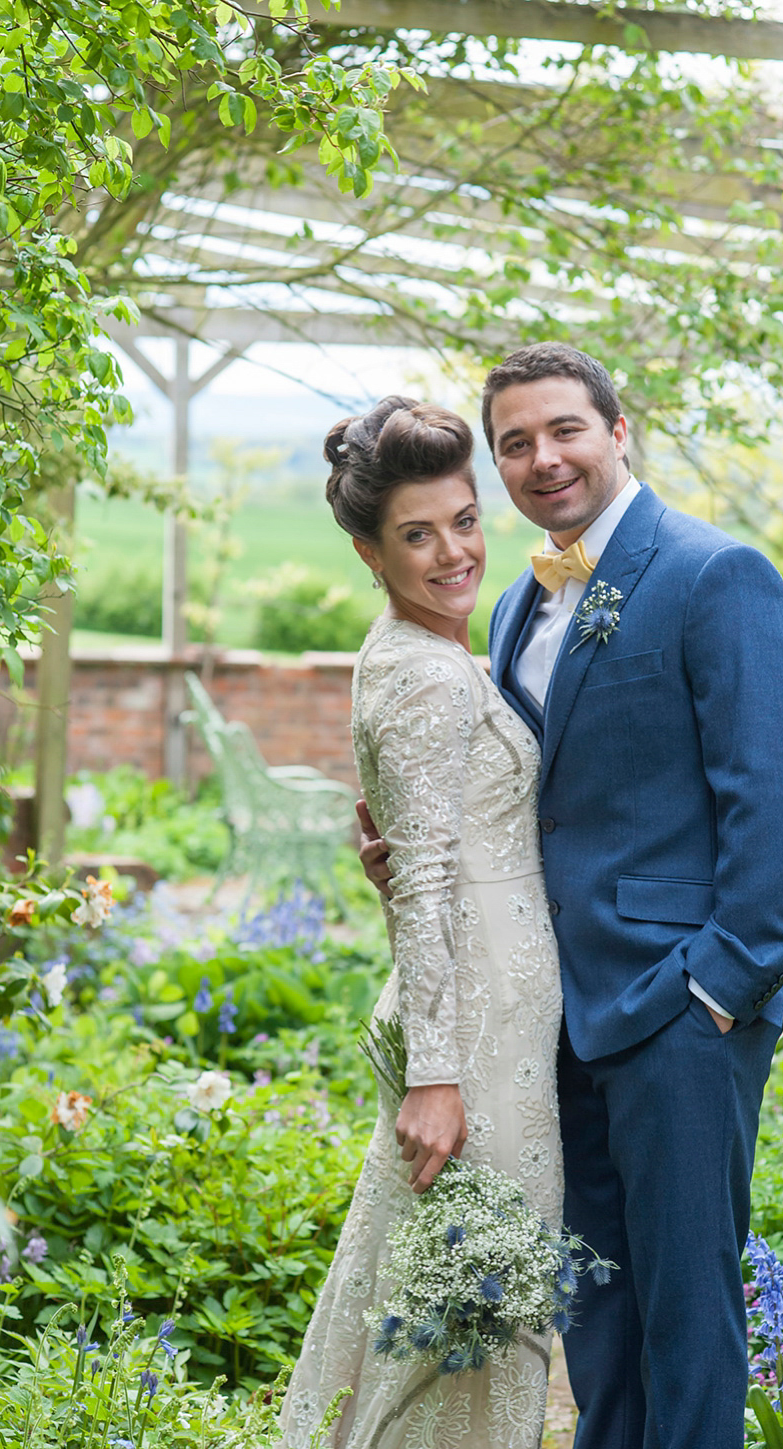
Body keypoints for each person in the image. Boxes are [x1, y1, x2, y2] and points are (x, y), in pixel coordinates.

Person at [360, 344, 783, 1449]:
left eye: (563, 429)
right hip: (557, 1013)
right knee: (597, 1316)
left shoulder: (718, 574)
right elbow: (528, 795)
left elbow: (777, 798)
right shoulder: (519, 599)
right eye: (514, 442)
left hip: (679, 1012)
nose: (542, 458)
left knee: (684, 1313)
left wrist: (716, 988)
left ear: (619, 433)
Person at [278, 397, 565, 1449]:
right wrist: (439, 1076)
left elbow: (428, 851)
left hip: (503, 1017)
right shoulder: (423, 679)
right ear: (368, 549)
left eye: (464, 520)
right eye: (416, 534)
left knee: (465, 1301)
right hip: (478, 1043)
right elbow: (431, 882)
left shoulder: (427, 653)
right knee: (466, 1314)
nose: (453, 553)